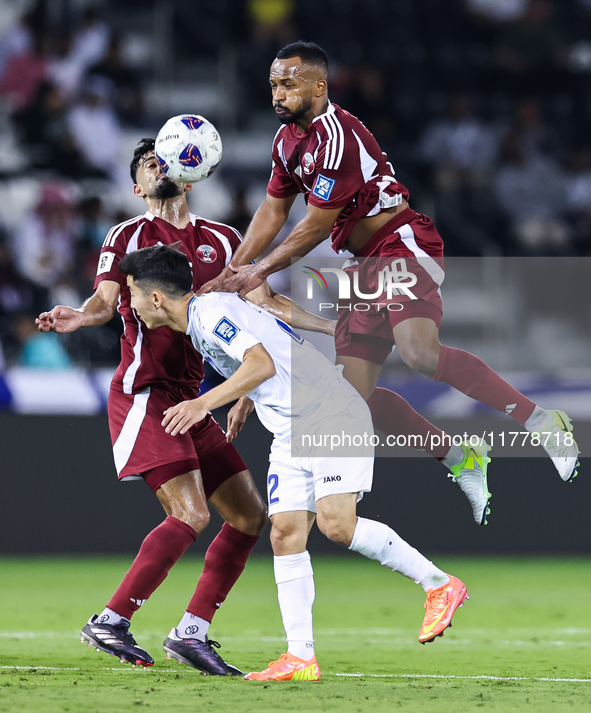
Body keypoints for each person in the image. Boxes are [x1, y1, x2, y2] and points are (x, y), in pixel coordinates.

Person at [203, 41, 580, 507]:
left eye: (289, 84)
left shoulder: (338, 135)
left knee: (419, 353)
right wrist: (233, 269)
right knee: (350, 400)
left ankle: (542, 421)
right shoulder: (286, 142)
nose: (278, 94)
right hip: (362, 265)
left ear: (319, 87)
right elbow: (272, 211)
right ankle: (461, 458)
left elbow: (317, 225)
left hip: (401, 242)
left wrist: (255, 271)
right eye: (273, 85)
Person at [36, 138, 334, 675]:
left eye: (165, 159)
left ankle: (191, 633)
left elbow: (260, 308)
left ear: (189, 172)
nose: (158, 166)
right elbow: (104, 302)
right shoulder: (128, 235)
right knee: (191, 513)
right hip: (145, 394)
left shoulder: (223, 239)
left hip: (195, 398)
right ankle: (111, 620)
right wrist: (80, 317)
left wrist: (336, 328)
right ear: (136, 186)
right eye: (147, 164)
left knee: (248, 515)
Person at [120, 244, 469, 682]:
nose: (128, 303)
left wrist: (202, 403)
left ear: (155, 298)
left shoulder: (208, 315)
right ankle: (300, 656)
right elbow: (267, 348)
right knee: (285, 534)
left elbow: (260, 362)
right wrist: (245, 397)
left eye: (131, 292)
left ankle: (438, 584)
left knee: (337, 525)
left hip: (328, 413)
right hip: (289, 427)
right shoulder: (204, 317)